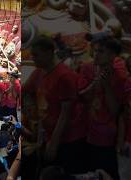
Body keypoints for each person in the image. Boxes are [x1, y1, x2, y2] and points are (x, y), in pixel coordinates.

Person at [31, 36, 87, 174]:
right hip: (51, 136)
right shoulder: (40, 72)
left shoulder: (64, 76)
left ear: (49, 52)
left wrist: (53, 144)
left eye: (36, 55)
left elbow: (65, 113)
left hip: (70, 139)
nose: (33, 58)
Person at [78, 36, 130, 180]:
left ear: (113, 55)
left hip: (107, 139)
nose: (96, 55)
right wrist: (96, 83)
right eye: (95, 51)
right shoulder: (87, 68)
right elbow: (82, 97)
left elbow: (115, 111)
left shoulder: (120, 77)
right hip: (84, 133)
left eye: (101, 51)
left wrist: (106, 85)